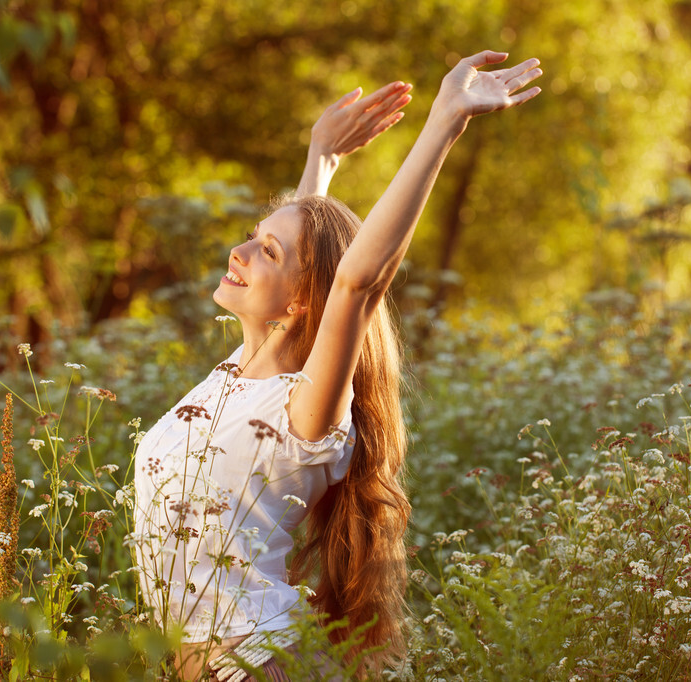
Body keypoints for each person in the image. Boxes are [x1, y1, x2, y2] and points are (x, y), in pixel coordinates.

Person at [132, 50, 542, 680]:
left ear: (301, 299)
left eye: (265, 251)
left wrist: (444, 121)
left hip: (257, 667)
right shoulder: (236, 375)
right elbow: (311, 251)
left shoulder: (302, 413)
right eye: (253, 236)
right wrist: (320, 158)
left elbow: (352, 280)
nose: (240, 251)